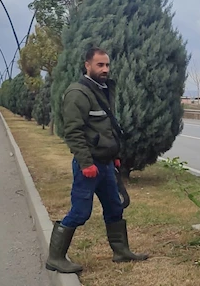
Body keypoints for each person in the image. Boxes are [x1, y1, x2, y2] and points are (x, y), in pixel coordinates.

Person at [45, 47, 148, 274]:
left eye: (107, 65)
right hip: (89, 166)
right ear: (87, 65)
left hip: (106, 163)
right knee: (80, 212)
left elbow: (108, 127)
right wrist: (85, 163)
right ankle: (55, 257)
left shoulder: (103, 90)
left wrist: (116, 157)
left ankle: (121, 252)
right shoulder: (77, 93)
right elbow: (72, 132)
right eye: (100, 65)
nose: (105, 69)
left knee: (114, 207)